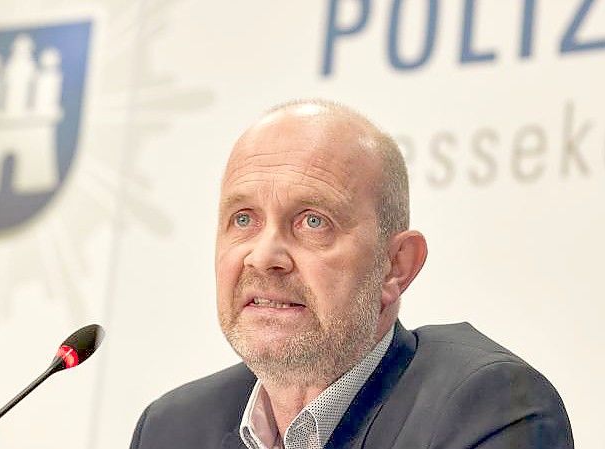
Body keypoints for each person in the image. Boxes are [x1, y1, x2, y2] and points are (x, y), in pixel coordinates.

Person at [130, 100, 573, 449]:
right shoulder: (171, 429)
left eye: (312, 221)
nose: (264, 257)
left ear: (395, 265)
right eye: (243, 219)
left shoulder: (488, 407)